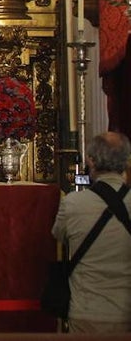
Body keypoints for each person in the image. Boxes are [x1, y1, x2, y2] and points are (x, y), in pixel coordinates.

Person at [51, 132, 131, 334]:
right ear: (126, 161)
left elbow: (58, 236)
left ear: (91, 160)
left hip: (86, 310)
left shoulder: (73, 203)